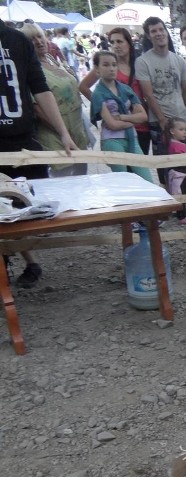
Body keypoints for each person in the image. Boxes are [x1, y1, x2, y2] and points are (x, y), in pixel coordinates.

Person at [0, 20, 78, 289]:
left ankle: (26, 260)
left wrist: (64, 133)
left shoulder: (17, 40)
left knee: (23, 208)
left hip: (21, 141)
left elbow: (40, 88)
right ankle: (8, 263)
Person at [20, 23, 90, 177]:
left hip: (77, 131)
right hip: (54, 136)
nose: (38, 41)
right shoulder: (28, 70)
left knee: (83, 180)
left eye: (39, 36)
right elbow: (37, 108)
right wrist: (63, 131)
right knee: (63, 183)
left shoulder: (51, 59)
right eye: (32, 39)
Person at [81, 27, 151, 154]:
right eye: (112, 42)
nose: (115, 45)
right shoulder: (109, 65)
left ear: (129, 43)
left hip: (140, 122)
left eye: (119, 41)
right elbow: (83, 87)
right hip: (118, 126)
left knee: (141, 164)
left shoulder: (139, 64)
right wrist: (103, 106)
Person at [89, 50, 154, 182]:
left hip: (132, 137)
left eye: (114, 65)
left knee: (146, 179)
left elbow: (143, 116)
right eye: (106, 65)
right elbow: (112, 124)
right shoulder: (98, 93)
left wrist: (123, 117)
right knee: (123, 181)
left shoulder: (126, 89)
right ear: (97, 68)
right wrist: (133, 120)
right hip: (112, 140)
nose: (111, 69)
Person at [135, 16, 186, 161]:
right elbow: (148, 94)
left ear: (166, 32)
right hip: (159, 122)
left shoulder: (179, 60)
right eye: (154, 31)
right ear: (149, 36)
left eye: (161, 29)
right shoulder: (143, 62)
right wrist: (162, 120)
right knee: (165, 166)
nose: (159, 33)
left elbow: (185, 91)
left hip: (182, 120)